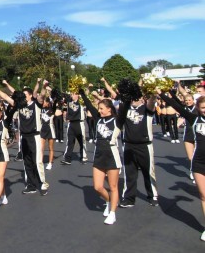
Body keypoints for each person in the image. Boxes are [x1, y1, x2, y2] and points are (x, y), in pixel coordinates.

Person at [158, 90, 205, 241]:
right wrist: (162, 94)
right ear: (198, 108)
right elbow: (177, 106)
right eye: (203, 107)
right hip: (199, 162)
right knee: (204, 195)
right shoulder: (194, 119)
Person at [80, 89, 122, 225]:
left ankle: (112, 213)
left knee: (113, 186)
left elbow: (125, 107)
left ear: (109, 109)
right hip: (98, 156)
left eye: (102, 109)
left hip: (111, 155)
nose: (100, 111)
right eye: (99, 108)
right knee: (97, 187)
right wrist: (82, 92)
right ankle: (108, 201)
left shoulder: (117, 121)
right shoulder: (98, 119)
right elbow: (89, 105)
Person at [115, 82, 158, 208]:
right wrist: (125, 94)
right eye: (133, 97)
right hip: (128, 145)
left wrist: (154, 95)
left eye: (137, 97)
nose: (135, 99)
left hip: (144, 145)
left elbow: (151, 103)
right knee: (129, 173)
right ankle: (129, 198)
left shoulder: (146, 108)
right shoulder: (125, 108)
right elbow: (120, 106)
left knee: (148, 172)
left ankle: (152, 196)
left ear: (141, 97)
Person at [61, 91, 88, 165]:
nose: (71, 95)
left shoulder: (81, 102)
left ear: (77, 95)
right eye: (71, 94)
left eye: (73, 94)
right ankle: (67, 158)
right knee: (70, 141)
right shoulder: (69, 101)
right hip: (71, 123)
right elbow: (62, 94)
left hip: (79, 123)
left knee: (82, 141)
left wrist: (88, 88)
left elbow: (85, 94)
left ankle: (84, 157)